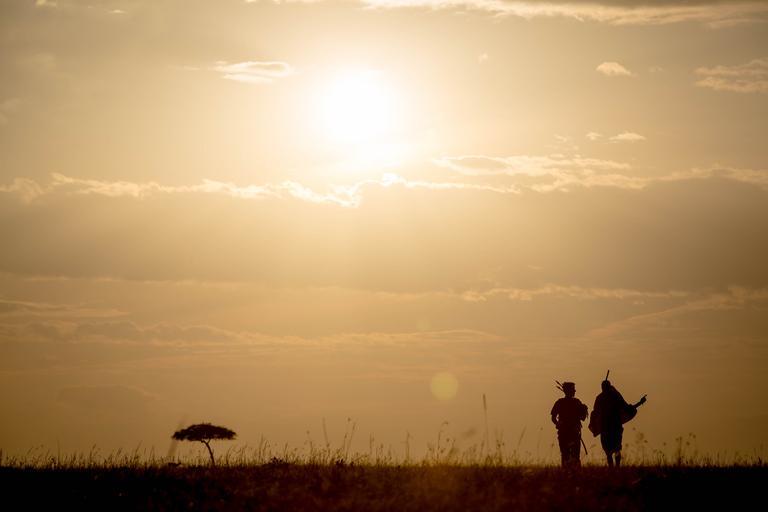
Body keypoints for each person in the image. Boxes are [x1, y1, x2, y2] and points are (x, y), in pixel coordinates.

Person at [589, 378, 646, 467]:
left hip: (612, 427)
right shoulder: (609, 397)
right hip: (609, 428)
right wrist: (639, 403)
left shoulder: (609, 397)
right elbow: (595, 413)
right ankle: (614, 468)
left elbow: (626, 408)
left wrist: (639, 402)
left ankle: (615, 468)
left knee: (615, 449)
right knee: (612, 450)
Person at [550, 381, 588, 468]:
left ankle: (568, 472)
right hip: (569, 433)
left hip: (570, 432)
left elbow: (553, 418)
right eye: (573, 390)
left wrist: (583, 410)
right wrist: (558, 424)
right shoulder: (575, 402)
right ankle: (573, 472)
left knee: (568, 455)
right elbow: (553, 417)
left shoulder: (564, 402)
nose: (575, 391)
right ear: (568, 391)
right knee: (570, 455)